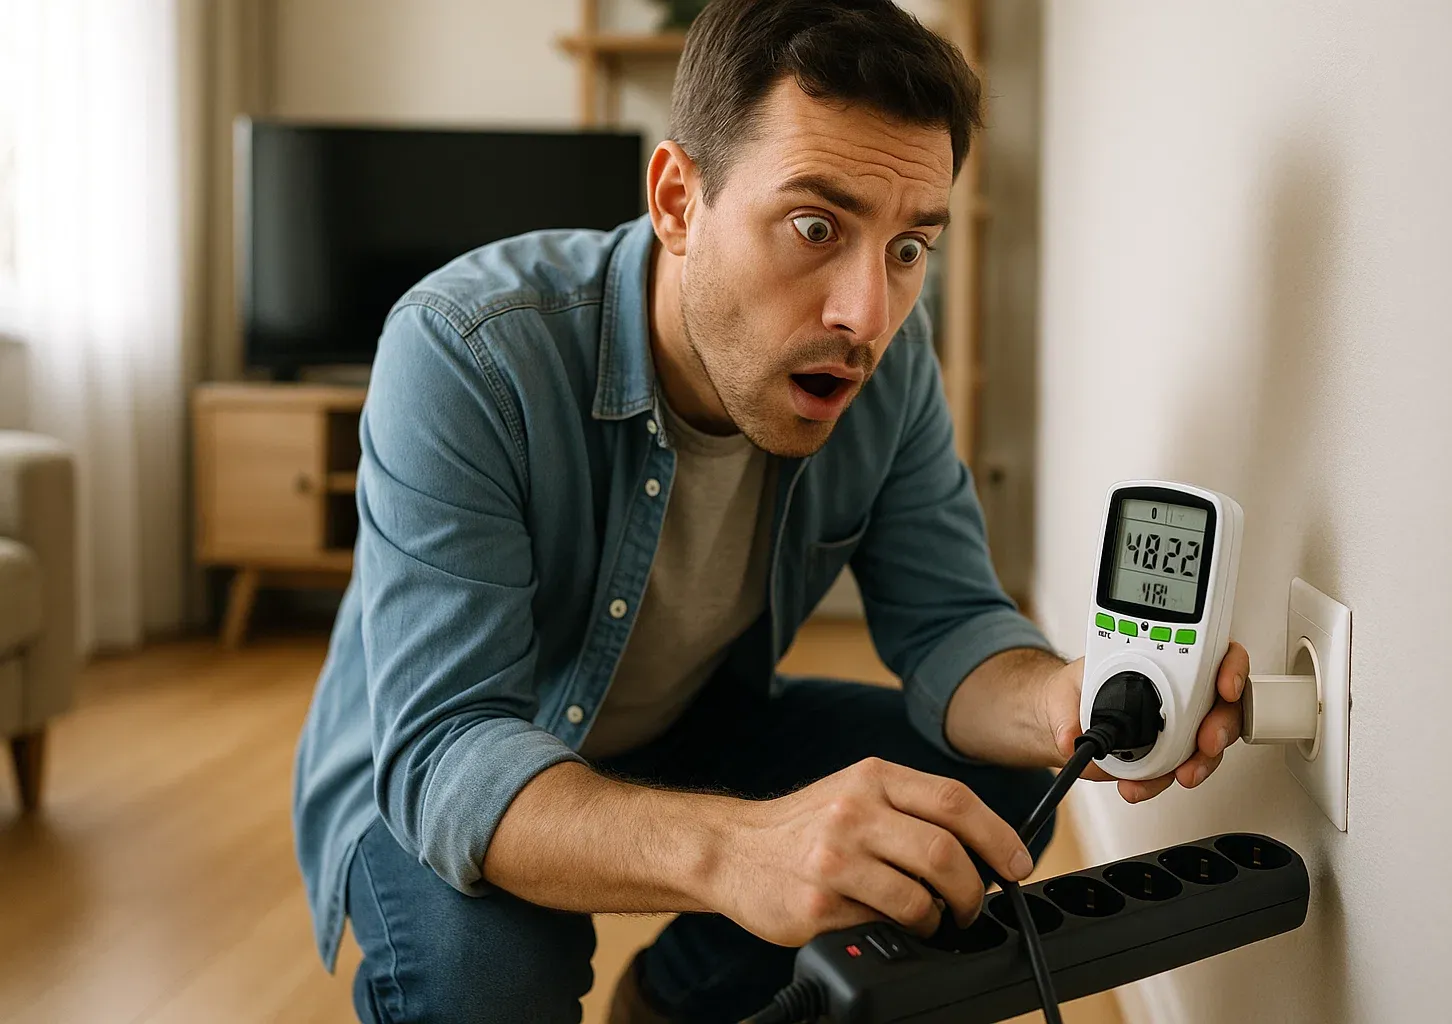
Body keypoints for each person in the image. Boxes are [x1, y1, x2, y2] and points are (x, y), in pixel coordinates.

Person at [292, 1, 1251, 1021]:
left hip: (684, 722)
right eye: (815, 226)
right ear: (676, 199)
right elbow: (448, 753)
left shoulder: (888, 369)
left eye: (908, 248)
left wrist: (1069, 699)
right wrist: (738, 851)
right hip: (451, 752)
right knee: (487, 978)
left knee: (978, 806)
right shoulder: (465, 349)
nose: (867, 315)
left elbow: (950, 625)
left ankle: (673, 1002)